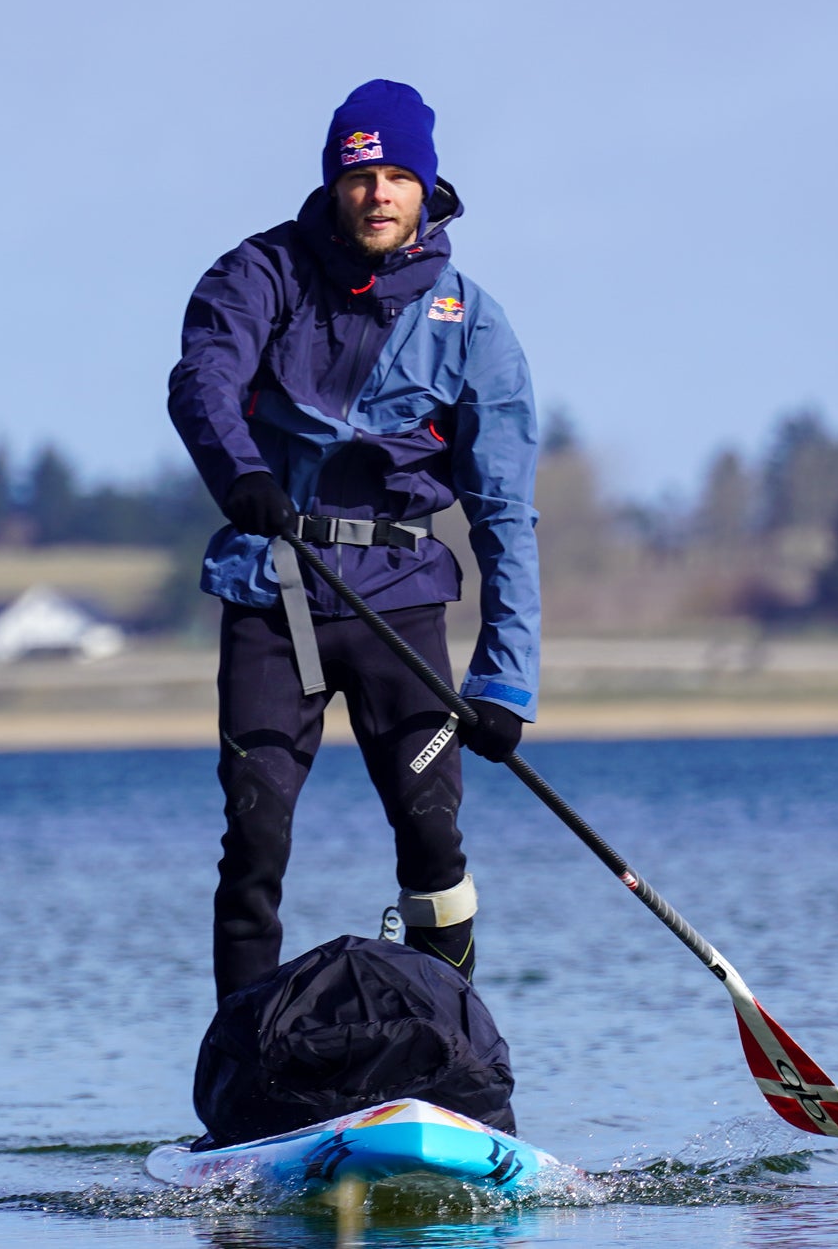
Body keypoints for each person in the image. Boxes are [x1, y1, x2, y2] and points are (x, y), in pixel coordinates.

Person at [168, 79, 539, 999]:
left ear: (428, 190)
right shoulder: (261, 274)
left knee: (431, 834)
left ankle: (447, 1040)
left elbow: (504, 514)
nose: (378, 192)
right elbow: (203, 379)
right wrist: (241, 474)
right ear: (335, 183)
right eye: (361, 173)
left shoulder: (473, 323)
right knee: (255, 836)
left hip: (400, 599)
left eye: (398, 175)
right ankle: (242, 1062)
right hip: (273, 587)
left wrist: (504, 681)